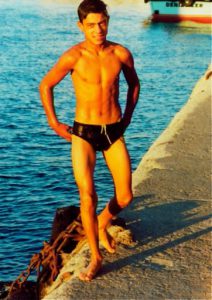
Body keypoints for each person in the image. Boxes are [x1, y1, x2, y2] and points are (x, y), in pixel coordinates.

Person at [39, 0, 140, 282]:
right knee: (88, 195)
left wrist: (128, 116)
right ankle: (95, 257)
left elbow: (134, 83)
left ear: (108, 20)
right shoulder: (74, 56)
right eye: (92, 25)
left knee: (125, 195)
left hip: (113, 130)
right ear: (81, 26)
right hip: (83, 132)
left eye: (103, 22)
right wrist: (54, 122)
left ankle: (101, 222)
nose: (98, 29)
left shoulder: (120, 53)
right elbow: (46, 85)